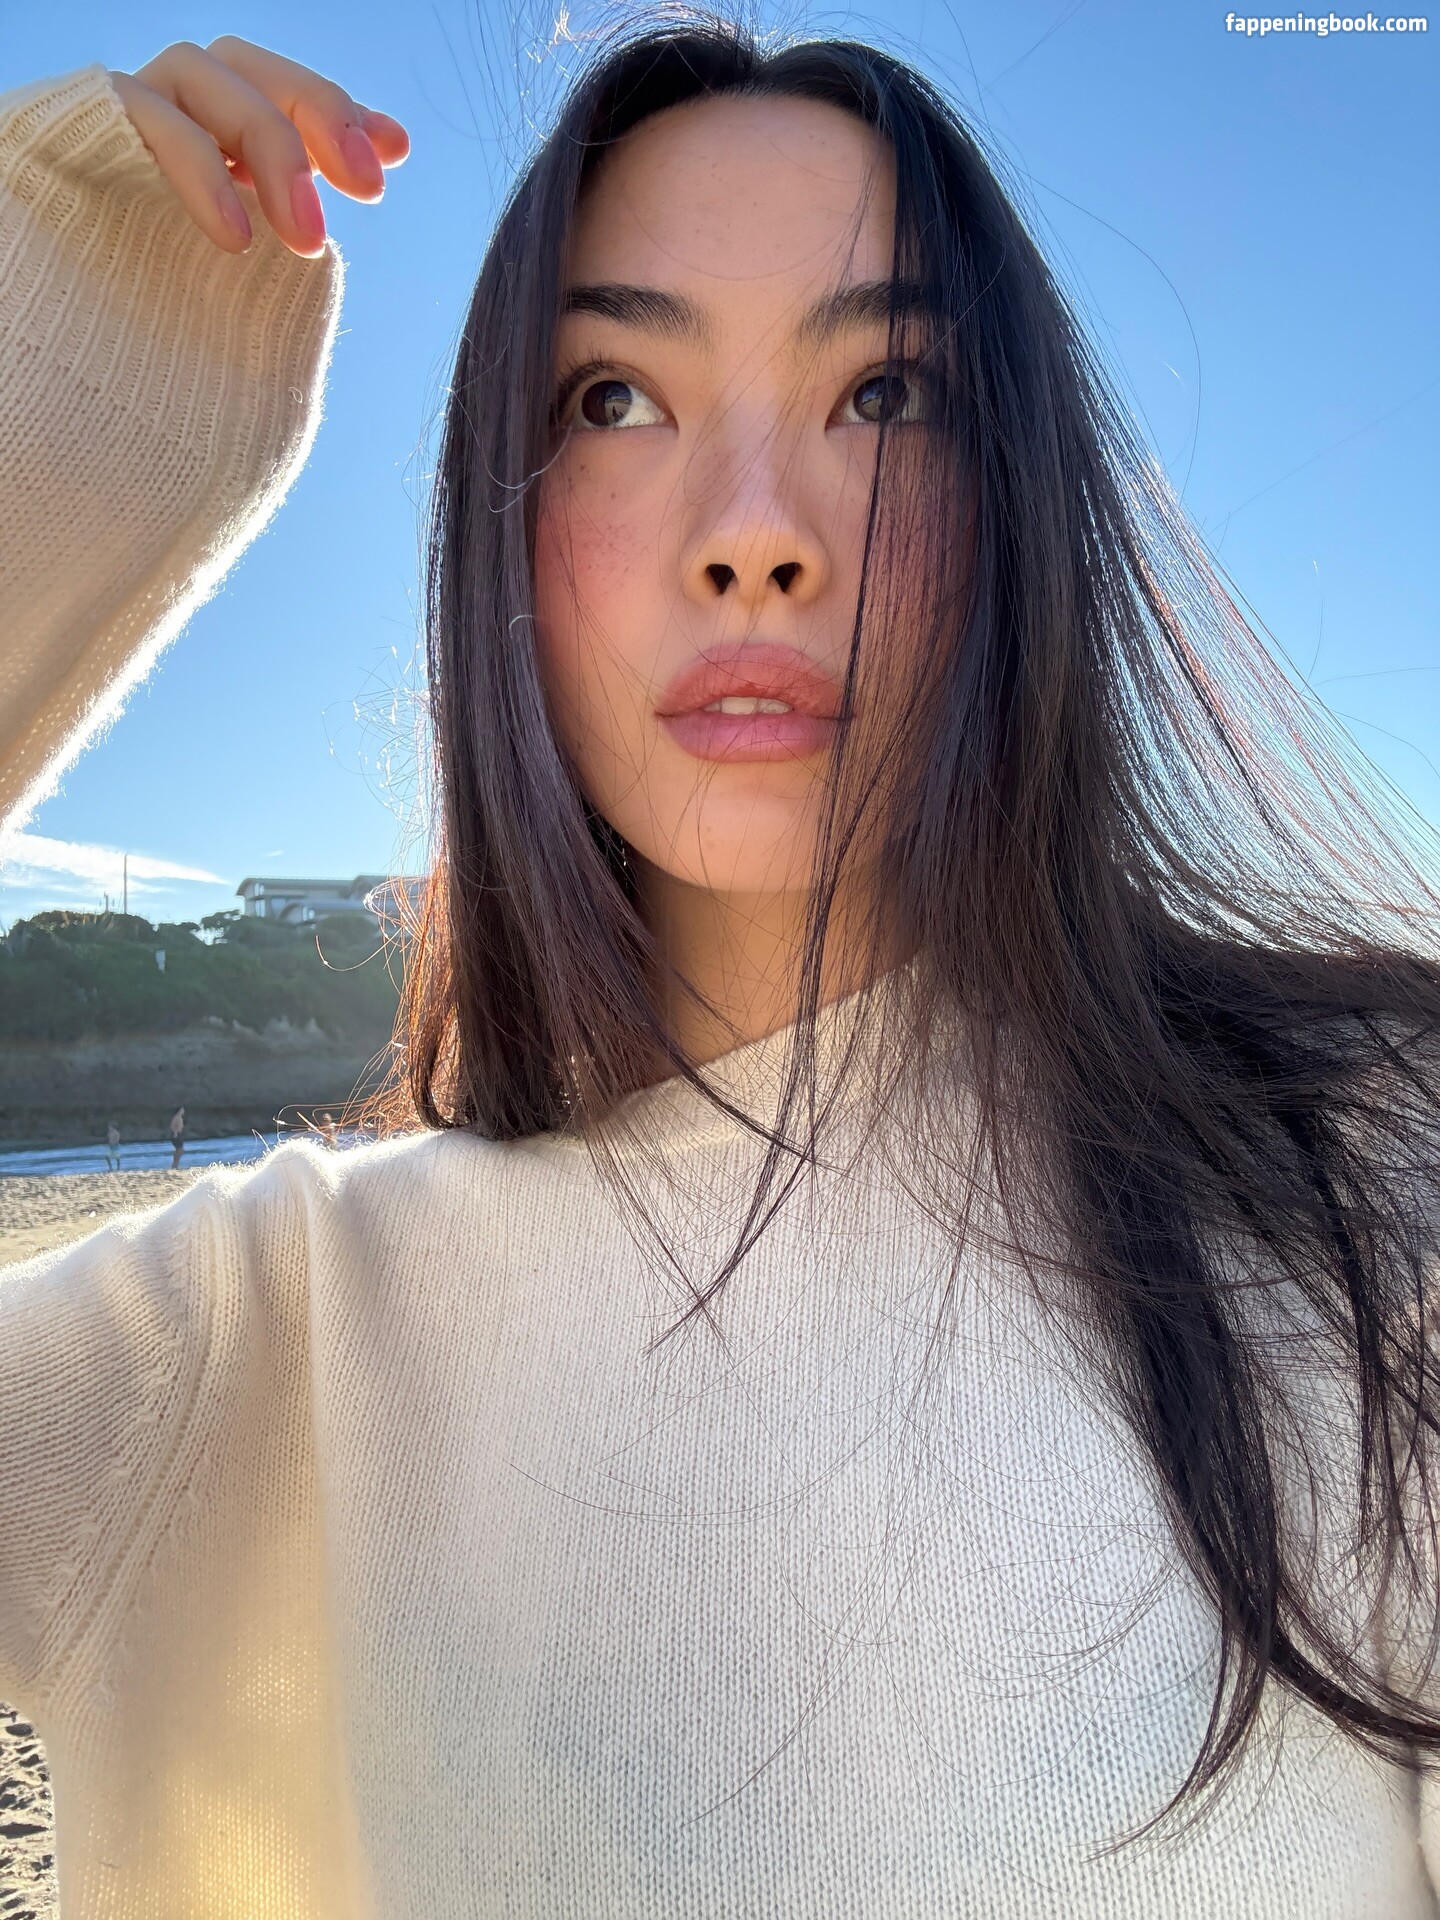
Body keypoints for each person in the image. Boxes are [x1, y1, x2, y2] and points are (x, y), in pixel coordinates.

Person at [0, 25, 1438, 1917]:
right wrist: (46, 405)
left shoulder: (1374, 1189)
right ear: (495, 520)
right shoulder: (267, 1336)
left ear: (1026, 494)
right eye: (613, 398)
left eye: (886, 394)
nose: (756, 534)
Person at [166, 1104, 186, 1169]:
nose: (183, 1111)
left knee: (180, 1150)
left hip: (178, 1134)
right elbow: (172, 1125)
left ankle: (176, 1164)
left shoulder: (179, 1117)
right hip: (176, 1134)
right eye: (182, 1110)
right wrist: (175, 1133)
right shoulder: (177, 1117)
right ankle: (175, 1164)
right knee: (179, 1150)